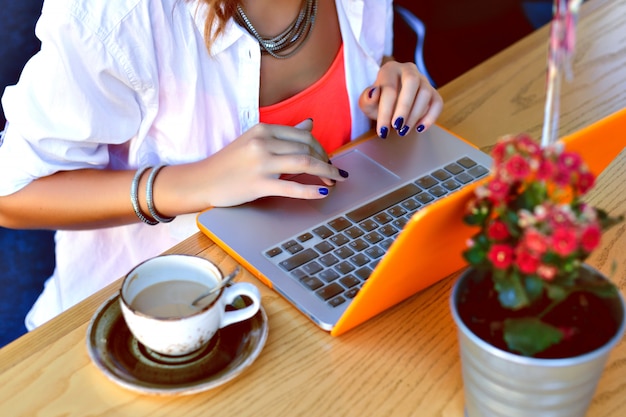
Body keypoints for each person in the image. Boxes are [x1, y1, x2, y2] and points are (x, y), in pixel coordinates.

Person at [0, 0, 443, 330]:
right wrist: (194, 185)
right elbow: (13, 193)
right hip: (166, 326)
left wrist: (391, 81)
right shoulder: (113, 15)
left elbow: (371, 60)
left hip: (330, 268)